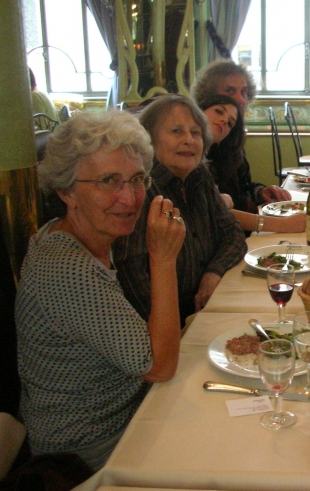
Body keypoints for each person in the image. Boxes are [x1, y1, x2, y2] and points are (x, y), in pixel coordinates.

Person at [16, 110, 184, 471]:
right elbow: (159, 366)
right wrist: (164, 258)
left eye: (137, 179)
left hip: (130, 413)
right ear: (67, 191)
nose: (130, 199)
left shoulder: (77, 235)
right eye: (109, 180)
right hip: (86, 448)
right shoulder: (68, 268)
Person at [114, 95, 247, 326]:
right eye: (176, 131)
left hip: (208, 309)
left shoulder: (199, 175)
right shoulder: (140, 190)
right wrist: (180, 325)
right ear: (149, 140)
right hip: (164, 327)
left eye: (195, 133)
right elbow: (132, 277)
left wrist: (213, 272)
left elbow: (233, 234)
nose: (189, 140)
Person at [198, 94, 306, 233]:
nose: (224, 120)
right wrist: (280, 224)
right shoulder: (190, 160)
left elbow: (241, 189)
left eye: (231, 123)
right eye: (219, 111)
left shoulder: (223, 156)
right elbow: (216, 212)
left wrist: (259, 192)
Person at [191, 59, 290, 208]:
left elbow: (243, 187)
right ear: (209, 96)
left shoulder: (232, 137)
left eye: (243, 92)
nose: (240, 99)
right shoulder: (198, 141)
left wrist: (260, 192)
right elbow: (215, 208)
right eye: (230, 91)